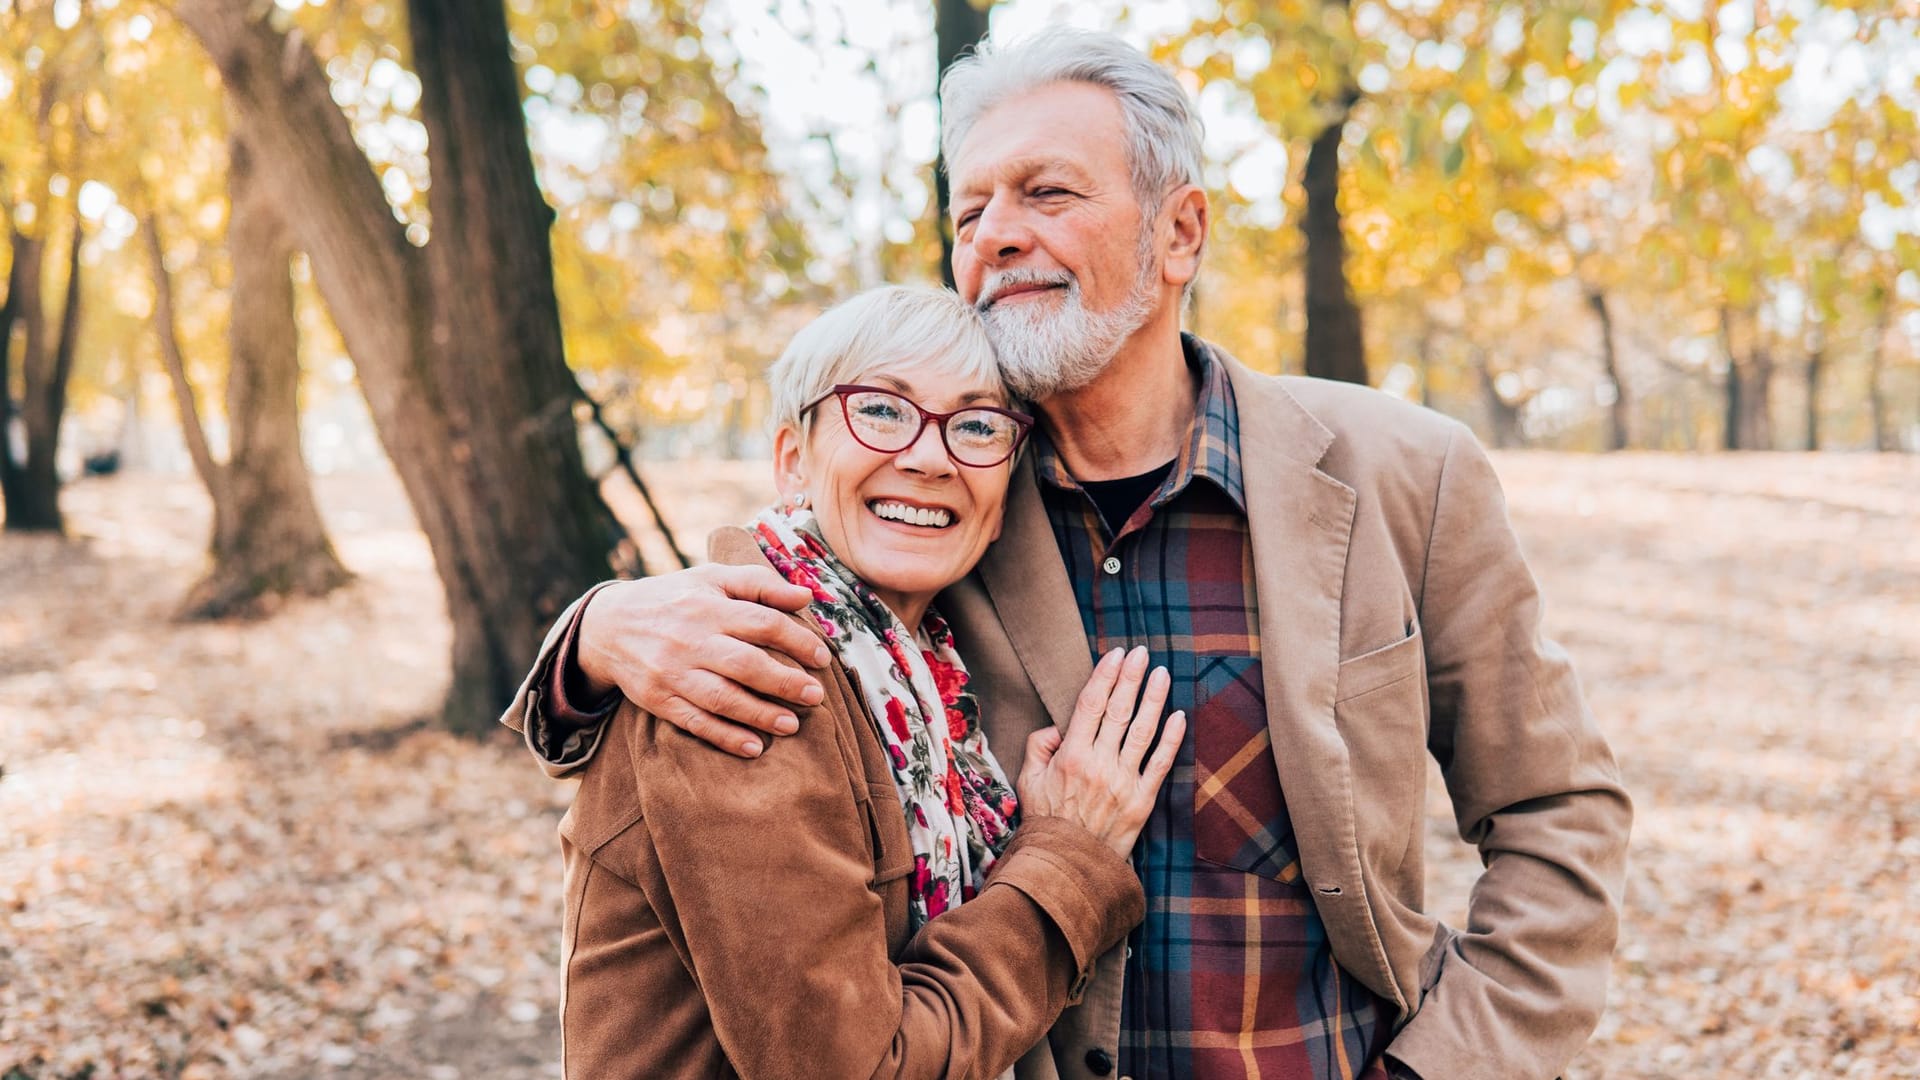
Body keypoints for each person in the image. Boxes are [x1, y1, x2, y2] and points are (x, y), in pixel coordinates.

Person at [506, 28, 1632, 1080]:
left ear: (1178, 232)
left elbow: (1557, 809)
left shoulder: (1406, 473)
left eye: (1046, 192)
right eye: (971, 211)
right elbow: (770, 589)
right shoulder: (938, 509)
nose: (994, 233)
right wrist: (594, 632)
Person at [505, 284, 1189, 1079]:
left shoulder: (925, 670)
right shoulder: (744, 671)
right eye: (884, 411)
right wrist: (1069, 861)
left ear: (1004, 500)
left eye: (975, 425)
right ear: (793, 461)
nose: (930, 457)